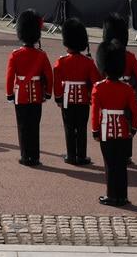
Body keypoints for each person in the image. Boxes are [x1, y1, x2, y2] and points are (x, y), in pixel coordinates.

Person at [90, 39, 137, 206]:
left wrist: (95, 130)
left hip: (106, 130)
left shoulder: (99, 87)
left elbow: (95, 112)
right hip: (124, 130)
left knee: (110, 165)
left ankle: (112, 196)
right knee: (121, 165)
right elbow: (134, 110)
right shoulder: (127, 88)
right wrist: (133, 128)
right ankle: (122, 196)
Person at [6, 10, 52, 167]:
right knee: (34, 126)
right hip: (37, 95)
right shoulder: (41, 55)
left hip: (21, 95)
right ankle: (35, 156)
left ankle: (26, 156)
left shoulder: (15, 55)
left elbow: (10, 76)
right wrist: (47, 93)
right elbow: (49, 75)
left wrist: (9, 94)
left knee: (23, 126)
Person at [53, 18, 99, 166]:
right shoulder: (88, 62)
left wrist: (59, 98)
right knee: (81, 127)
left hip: (67, 99)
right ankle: (82, 155)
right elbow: (96, 81)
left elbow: (57, 82)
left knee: (69, 127)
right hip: (83, 100)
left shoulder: (61, 61)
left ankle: (71, 155)